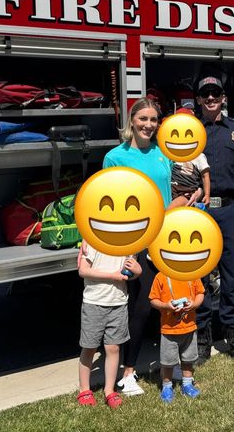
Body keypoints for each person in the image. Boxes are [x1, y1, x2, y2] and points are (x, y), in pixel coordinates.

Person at [102, 98, 189, 396]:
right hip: (135, 239)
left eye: (154, 120)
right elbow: (109, 202)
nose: (149, 125)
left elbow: (175, 189)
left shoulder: (164, 154)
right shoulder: (115, 157)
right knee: (139, 306)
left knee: (171, 299)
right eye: (143, 119)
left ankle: (172, 362)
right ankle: (128, 372)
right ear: (132, 120)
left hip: (165, 238)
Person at [193, 75, 234, 364]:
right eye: (205, 93)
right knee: (201, 278)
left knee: (232, 278)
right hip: (201, 212)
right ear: (197, 99)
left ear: (223, 98)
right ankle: (203, 340)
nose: (210, 98)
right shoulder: (189, 133)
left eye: (215, 93)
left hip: (231, 211)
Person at [76, 240, 141, 408]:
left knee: (113, 348)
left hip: (118, 303)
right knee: (89, 347)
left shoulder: (127, 245)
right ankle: (84, 389)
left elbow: (132, 272)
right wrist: (112, 276)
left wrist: (137, 271)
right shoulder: (92, 242)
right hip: (94, 303)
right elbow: (83, 270)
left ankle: (109, 390)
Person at [149, 267, 205, 402]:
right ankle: (167, 386)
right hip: (169, 330)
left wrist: (194, 304)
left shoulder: (192, 274)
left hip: (189, 328)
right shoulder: (161, 276)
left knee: (188, 359)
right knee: (168, 362)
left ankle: (187, 384)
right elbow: (153, 299)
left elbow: (200, 293)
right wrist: (165, 306)